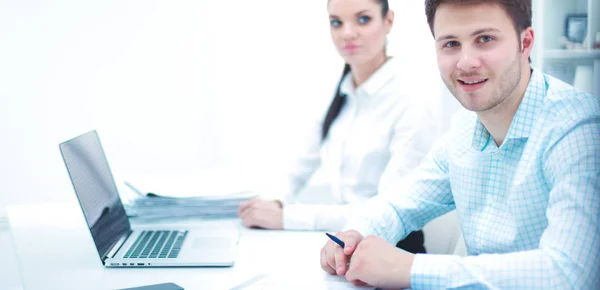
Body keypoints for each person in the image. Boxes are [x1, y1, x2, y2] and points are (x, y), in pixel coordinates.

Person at [320, 0, 600, 289]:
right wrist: (354, 234)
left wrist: (411, 268)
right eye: (451, 43)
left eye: (485, 39)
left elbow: (570, 272)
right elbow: (398, 204)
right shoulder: (464, 129)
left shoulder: (578, 128)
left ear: (525, 42)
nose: (466, 62)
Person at [238, 0, 439, 253]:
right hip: (343, 245)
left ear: (388, 21)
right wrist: (274, 201)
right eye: (337, 22)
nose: (347, 33)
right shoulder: (341, 92)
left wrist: (286, 217)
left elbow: (389, 209)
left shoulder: (411, 98)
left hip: (390, 251)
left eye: (363, 19)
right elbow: (299, 165)